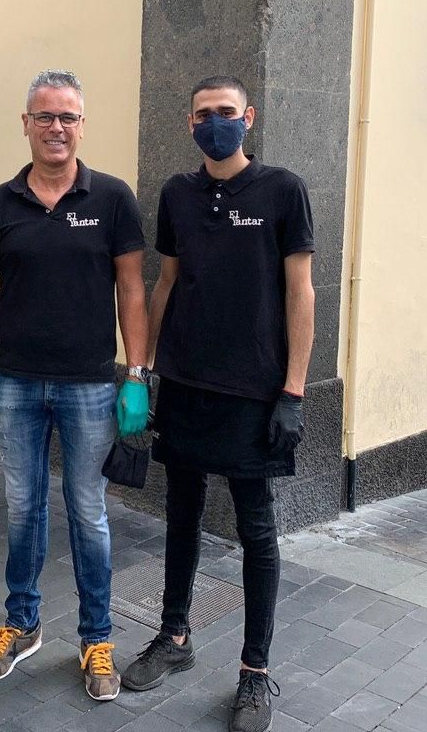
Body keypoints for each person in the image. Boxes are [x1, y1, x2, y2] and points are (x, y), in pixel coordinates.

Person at [121, 76, 315, 732]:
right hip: (185, 383)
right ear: (190, 123)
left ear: (248, 118)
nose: (214, 123)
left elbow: (301, 292)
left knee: (256, 530)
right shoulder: (177, 194)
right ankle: (174, 636)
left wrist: (293, 390)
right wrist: (143, 370)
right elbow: (166, 281)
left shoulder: (283, 190)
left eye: (225, 112)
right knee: (181, 513)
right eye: (203, 114)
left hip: (254, 391)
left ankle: (255, 672)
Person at [0, 70, 150, 701]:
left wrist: (136, 375)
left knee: (89, 513)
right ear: (26, 124)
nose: (56, 128)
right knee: (23, 509)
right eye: (45, 116)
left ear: (81, 126)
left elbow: (132, 290)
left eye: (67, 117)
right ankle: (23, 624)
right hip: (13, 384)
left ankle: (96, 639)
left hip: (90, 386)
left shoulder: (113, 199)